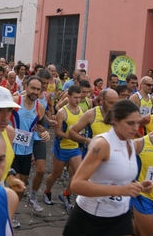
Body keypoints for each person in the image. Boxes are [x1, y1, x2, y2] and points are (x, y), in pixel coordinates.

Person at [63, 100, 153, 236]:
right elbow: (76, 185)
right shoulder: (102, 144)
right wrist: (120, 190)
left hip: (120, 215)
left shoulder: (130, 143)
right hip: (92, 218)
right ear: (115, 120)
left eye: (138, 123)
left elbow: (116, 177)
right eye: (130, 123)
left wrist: (137, 186)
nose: (136, 128)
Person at [10, 76, 50, 213]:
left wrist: (44, 132)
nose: (35, 92)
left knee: (22, 187)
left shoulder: (40, 107)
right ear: (26, 86)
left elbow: (39, 125)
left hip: (26, 151)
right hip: (11, 151)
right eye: (33, 88)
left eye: (38, 90)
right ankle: (7, 213)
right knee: (15, 186)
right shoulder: (15, 101)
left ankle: (12, 211)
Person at [43, 85, 83, 214]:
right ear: (69, 97)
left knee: (78, 174)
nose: (77, 100)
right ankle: (47, 191)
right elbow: (58, 132)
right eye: (75, 97)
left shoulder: (82, 111)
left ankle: (65, 194)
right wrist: (71, 136)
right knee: (56, 174)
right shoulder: (62, 113)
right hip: (62, 148)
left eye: (79, 97)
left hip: (75, 148)